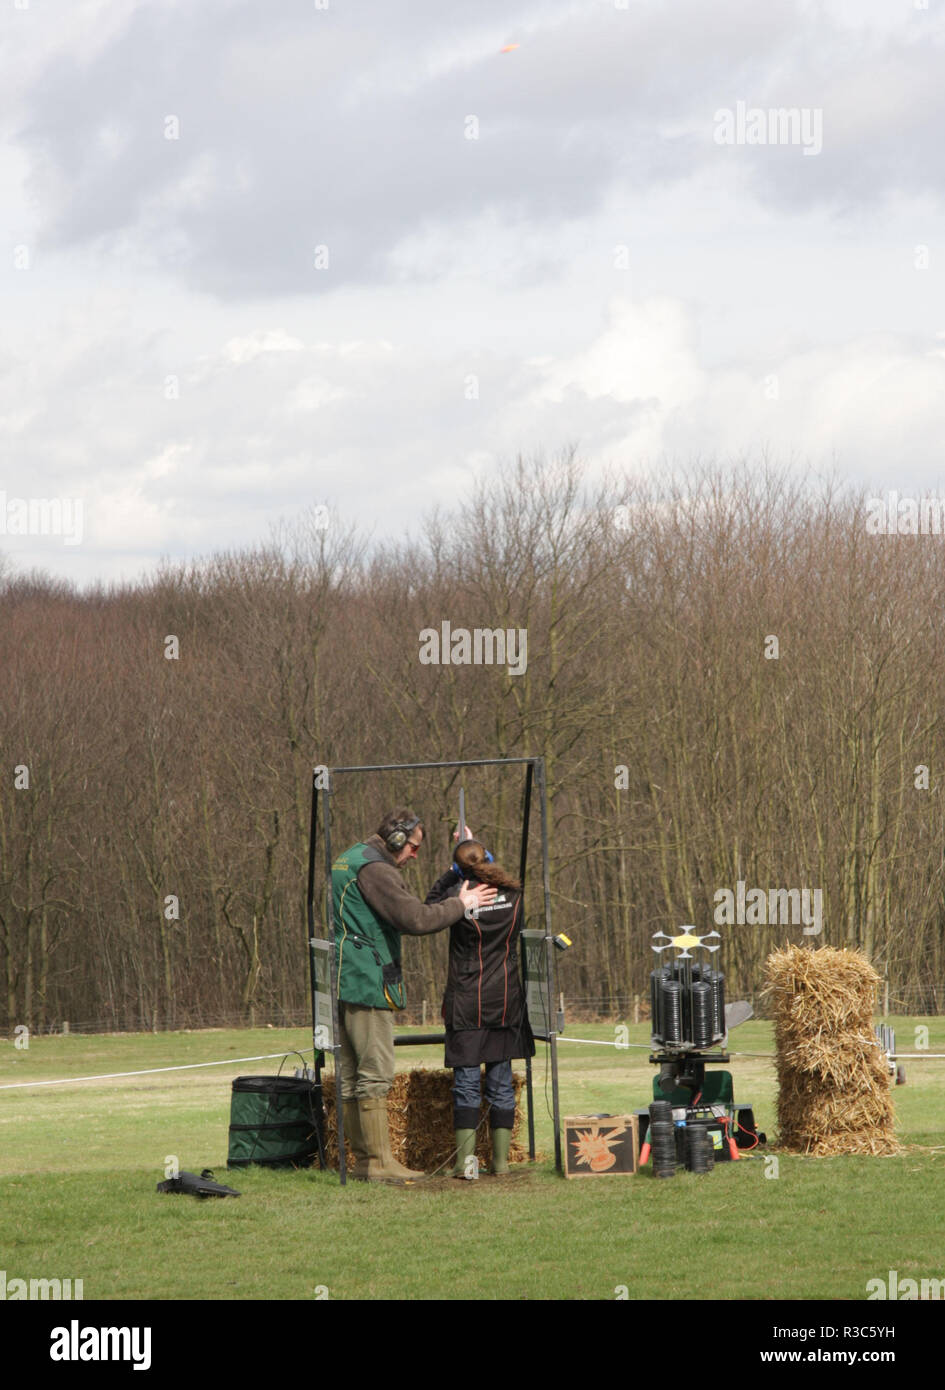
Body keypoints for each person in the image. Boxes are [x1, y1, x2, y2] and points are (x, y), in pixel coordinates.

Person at [331, 808, 496, 1182]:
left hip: (345, 977)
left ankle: (362, 1161)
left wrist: (463, 859)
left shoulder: (352, 857)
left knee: (352, 1075)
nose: (415, 855)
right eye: (415, 848)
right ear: (397, 840)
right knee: (375, 1074)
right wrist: (462, 904)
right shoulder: (378, 870)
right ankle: (378, 1163)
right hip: (368, 980)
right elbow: (416, 919)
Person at [426, 833, 535, 1176]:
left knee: (468, 1086)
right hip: (505, 1002)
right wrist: (478, 852)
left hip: (466, 1005)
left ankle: (466, 1165)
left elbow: (428, 906)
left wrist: (453, 872)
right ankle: (501, 1165)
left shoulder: (456, 897)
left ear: (460, 868)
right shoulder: (515, 895)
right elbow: (490, 869)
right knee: (501, 1084)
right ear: (487, 858)